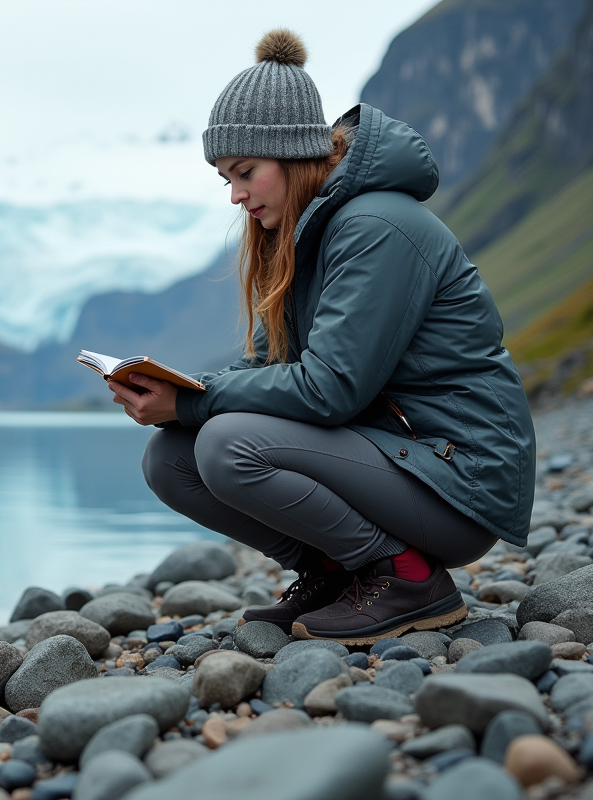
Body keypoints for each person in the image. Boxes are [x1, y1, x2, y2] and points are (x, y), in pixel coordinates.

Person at [107, 29, 536, 645]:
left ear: (292, 152)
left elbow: (330, 390)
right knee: (171, 457)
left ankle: (408, 578)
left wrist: (200, 401)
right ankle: (335, 571)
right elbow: (272, 364)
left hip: (458, 477)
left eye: (245, 172)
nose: (236, 195)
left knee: (228, 443)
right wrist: (186, 392)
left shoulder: (376, 226)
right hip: (396, 458)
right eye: (226, 178)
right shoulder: (311, 231)